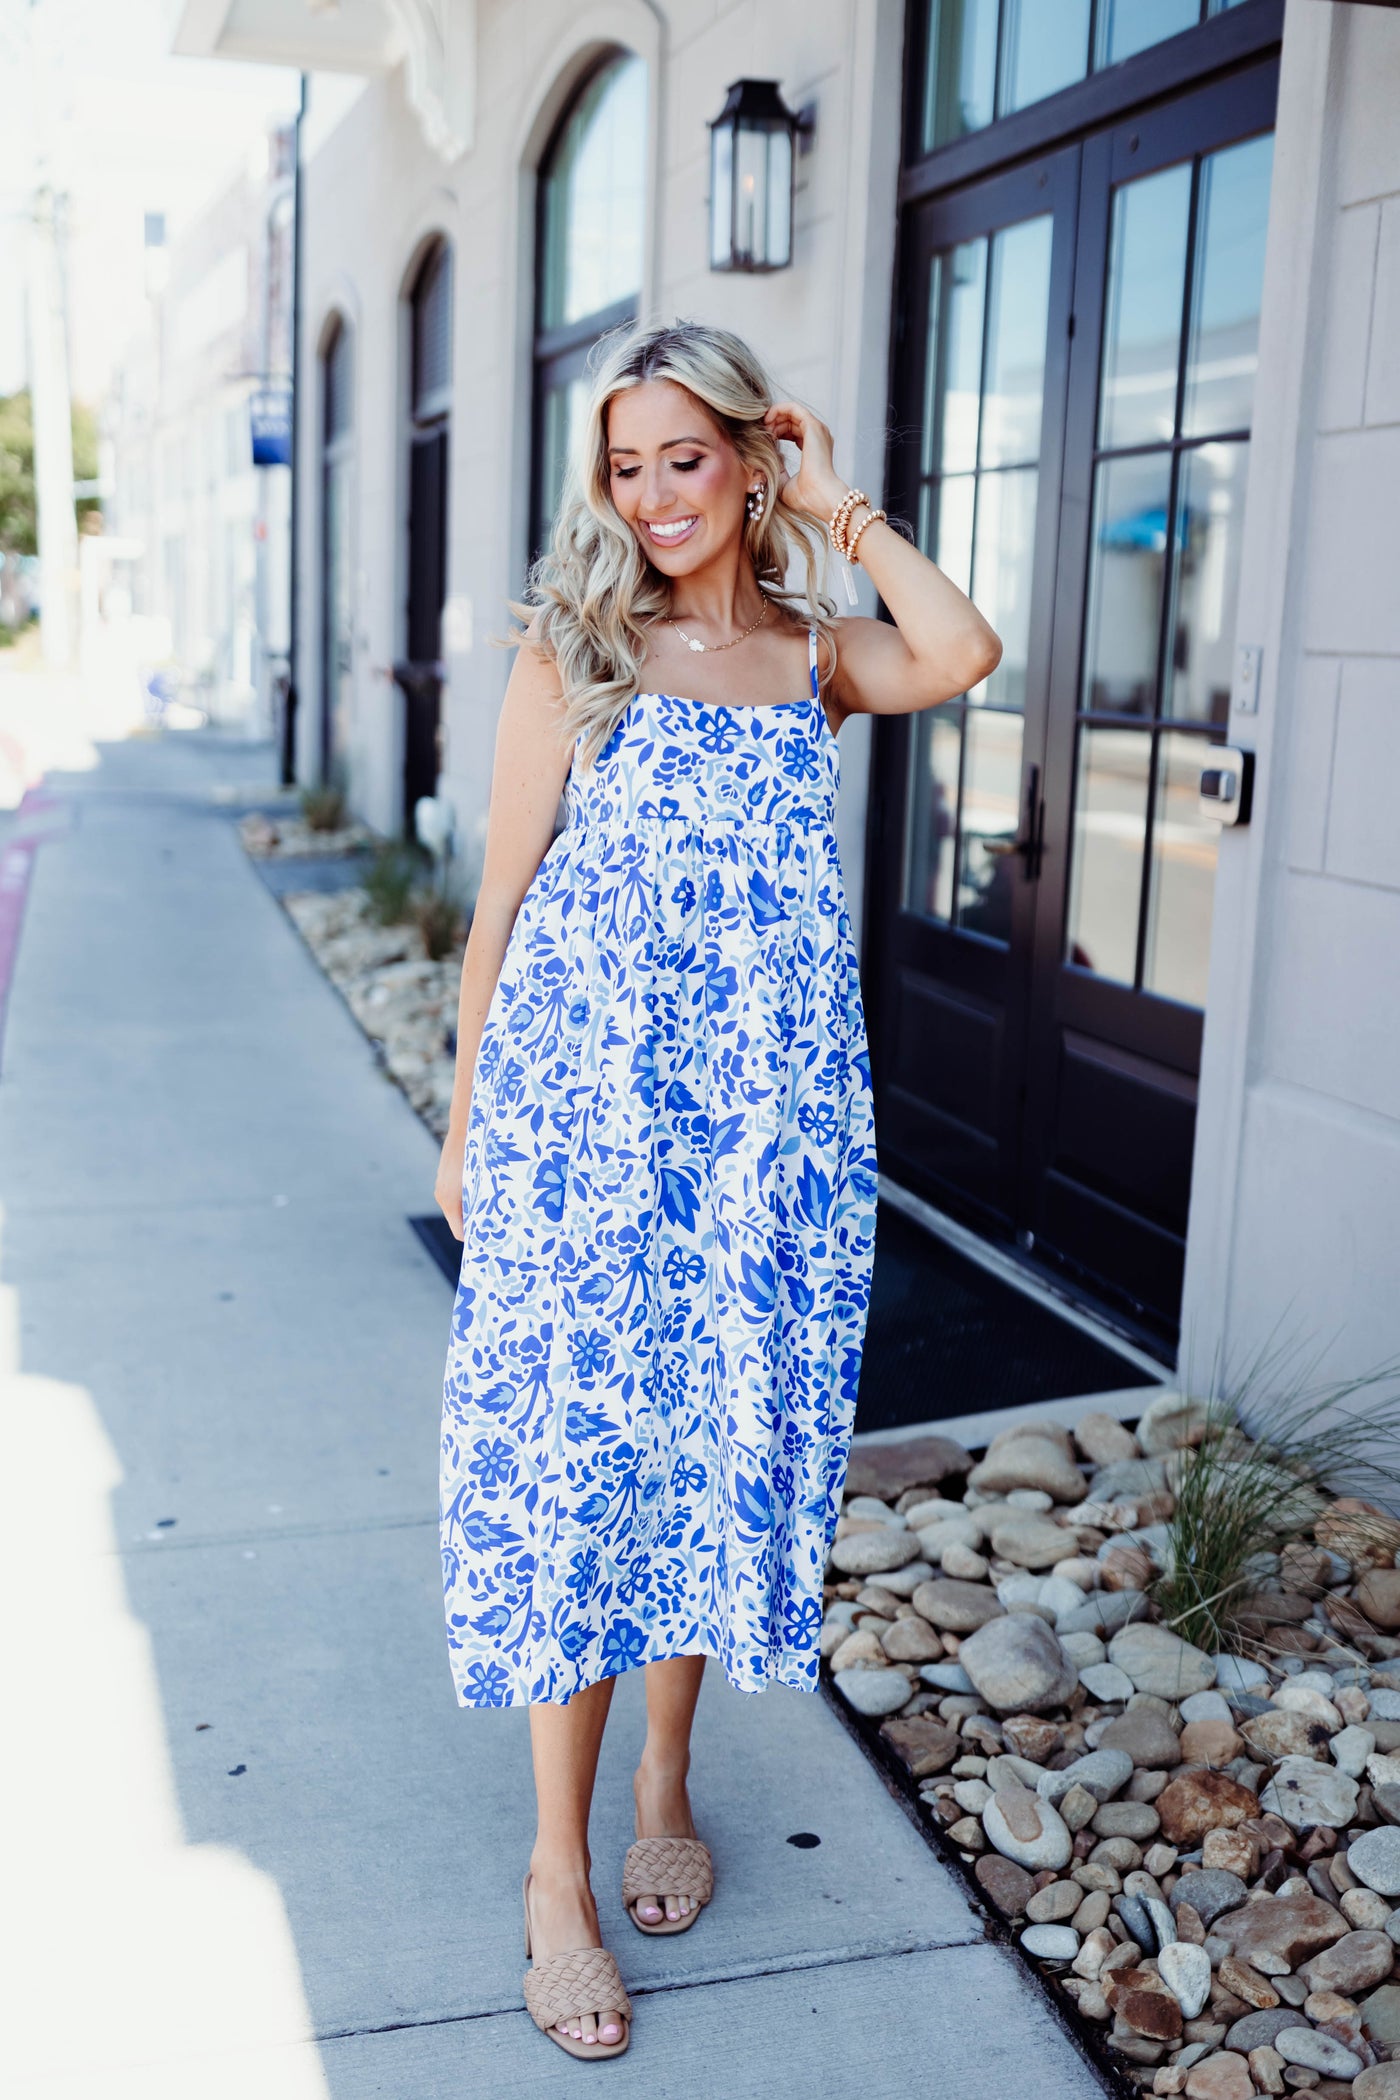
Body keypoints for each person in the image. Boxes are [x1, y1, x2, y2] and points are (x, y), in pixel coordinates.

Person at [434, 320, 1001, 2061]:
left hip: (762, 1147)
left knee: (703, 1452)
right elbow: (501, 902)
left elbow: (964, 648)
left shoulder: (816, 659)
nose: (656, 496)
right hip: (585, 1137)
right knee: (571, 1480)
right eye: (628, 465)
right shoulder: (575, 646)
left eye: (688, 457)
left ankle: (667, 1785)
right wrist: (465, 1129)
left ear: (751, 457)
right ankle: (556, 1876)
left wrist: (844, 508)